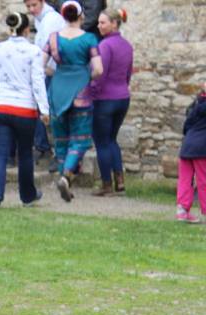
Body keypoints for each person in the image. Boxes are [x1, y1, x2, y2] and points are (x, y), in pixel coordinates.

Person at [0, 12, 49, 208]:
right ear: (27, 30)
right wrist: (44, 109)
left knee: (0, 153)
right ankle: (27, 195)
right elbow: (38, 81)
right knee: (25, 153)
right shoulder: (34, 51)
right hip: (24, 108)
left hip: (0, 105)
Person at [45, 0, 103, 202]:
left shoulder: (53, 38)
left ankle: (64, 179)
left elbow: (41, 64)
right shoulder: (89, 39)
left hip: (58, 89)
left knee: (60, 140)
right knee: (80, 139)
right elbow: (98, 69)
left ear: (62, 16)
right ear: (81, 16)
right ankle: (67, 176)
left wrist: (57, 73)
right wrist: (85, 75)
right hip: (81, 90)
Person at [90, 7, 132, 196]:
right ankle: (120, 181)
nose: (99, 26)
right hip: (123, 97)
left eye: (103, 22)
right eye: (99, 22)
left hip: (105, 99)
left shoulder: (105, 46)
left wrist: (90, 92)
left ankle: (107, 184)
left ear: (114, 23)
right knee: (112, 140)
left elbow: (100, 73)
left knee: (101, 141)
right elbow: (128, 73)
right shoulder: (127, 45)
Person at [24, 0, 65, 164]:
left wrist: (46, 69)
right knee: (40, 109)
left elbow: (48, 48)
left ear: (42, 2)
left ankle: (55, 151)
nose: (31, 9)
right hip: (43, 71)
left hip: (52, 72)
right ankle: (42, 145)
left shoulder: (51, 19)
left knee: (50, 111)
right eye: (28, 7)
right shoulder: (40, 19)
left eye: (34, 5)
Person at [175, 82, 206, 224]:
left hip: (187, 146)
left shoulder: (195, 105)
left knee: (185, 180)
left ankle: (182, 211)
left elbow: (186, 127)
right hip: (201, 148)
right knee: (203, 180)